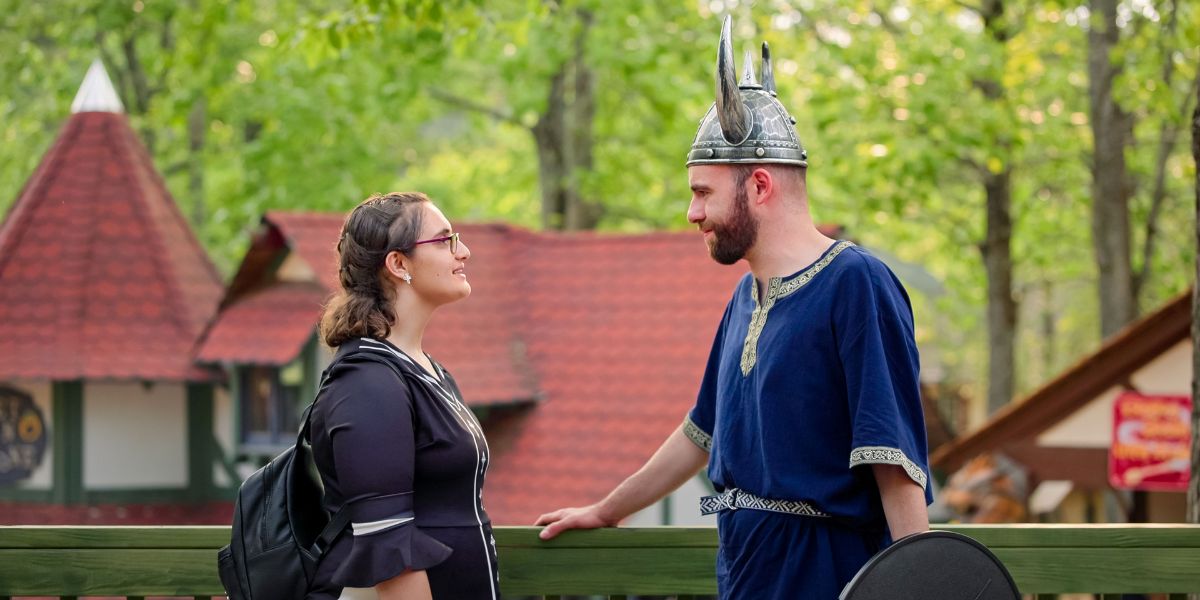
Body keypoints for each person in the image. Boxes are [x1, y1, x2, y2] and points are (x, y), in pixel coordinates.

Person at [535, 16, 931, 600]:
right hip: (745, 571)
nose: (692, 213)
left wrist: (920, 585)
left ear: (760, 186)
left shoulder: (856, 283)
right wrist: (607, 509)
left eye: (703, 192)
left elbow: (892, 458)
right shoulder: (746, 296)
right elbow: (701, 433)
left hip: (826, 574)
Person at [308, 192, 499, 600]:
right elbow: (388, 548)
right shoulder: (366, 383)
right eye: (444, 240)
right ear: (398, 264)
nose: (463, 251)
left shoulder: (427, 370)